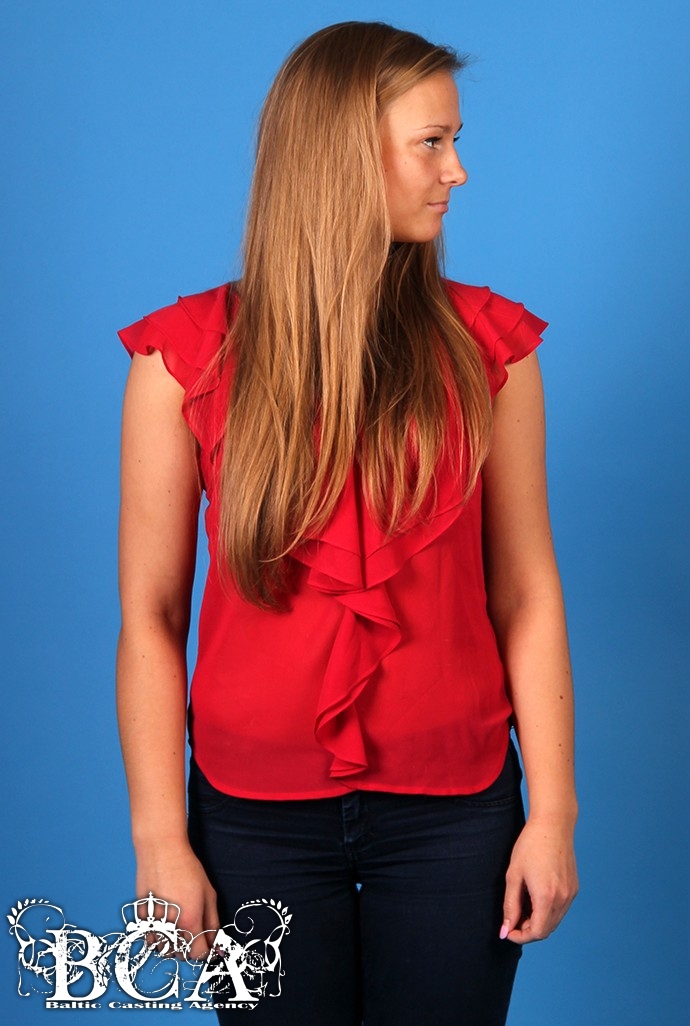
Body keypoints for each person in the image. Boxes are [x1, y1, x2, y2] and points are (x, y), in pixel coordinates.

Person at [117, 20, 578, 1026]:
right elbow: (151, 616)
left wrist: (554, 816)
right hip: (250, 818)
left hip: (457, 813)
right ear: (340, 156)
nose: (457, 172)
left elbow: (526, 590)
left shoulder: (492, 350)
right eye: (433, 142)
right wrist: (159, 836)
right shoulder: (180, 360)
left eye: (455, 141)